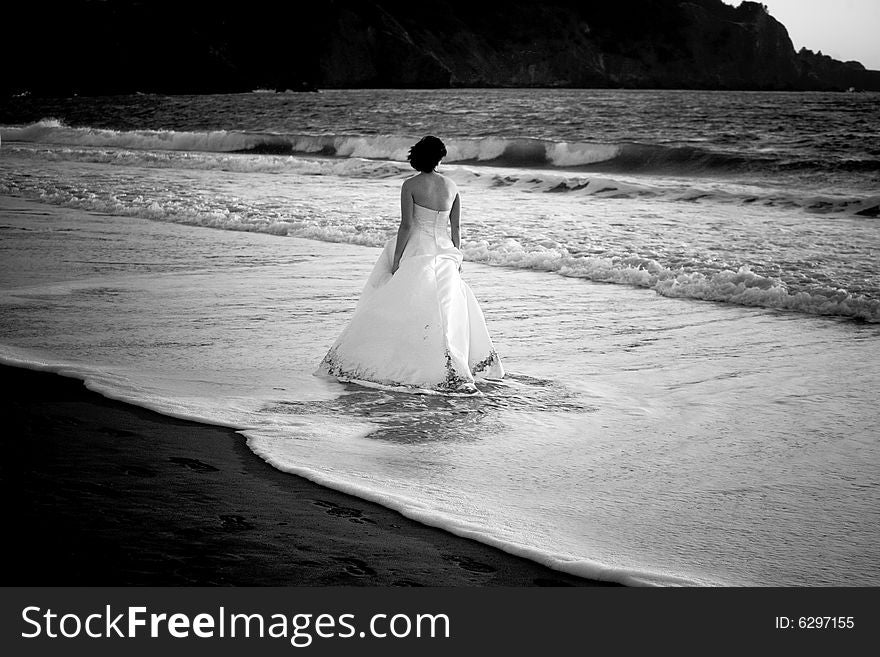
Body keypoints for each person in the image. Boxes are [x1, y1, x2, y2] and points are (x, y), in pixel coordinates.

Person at [315, 135, 504, 394]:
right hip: (445, 252)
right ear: (440, 157)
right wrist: (457, 256)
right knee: (447, 311)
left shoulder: (410, 185)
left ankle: (401, 361)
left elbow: (407, 225)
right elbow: (456, 227)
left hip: (419, 249)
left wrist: (396, 260)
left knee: (405, 306)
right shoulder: (452, 186)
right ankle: (449, 364)